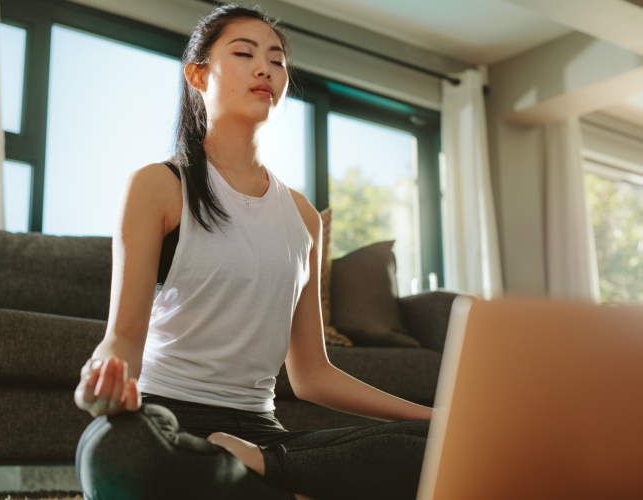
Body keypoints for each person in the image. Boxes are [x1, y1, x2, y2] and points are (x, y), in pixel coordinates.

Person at [73, 4, 433, 499]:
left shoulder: (304, 218)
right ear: (198, 75)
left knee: (430, 446)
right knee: (117, 452)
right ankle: (263, 478)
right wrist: (101, 378)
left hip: (260, 435)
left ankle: (259, 467)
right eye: (244, 53)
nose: (265, 67)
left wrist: (435, 417)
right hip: (164, 419)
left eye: (277, 60)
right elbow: (124, 337)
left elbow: (311, 375)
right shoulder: (159, 186)